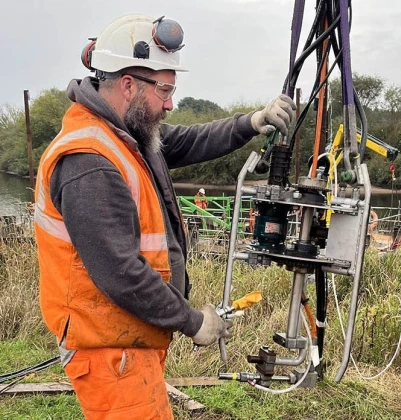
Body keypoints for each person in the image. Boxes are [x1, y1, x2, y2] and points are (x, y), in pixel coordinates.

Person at [33, 15, 296, 419]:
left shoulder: (128, 133)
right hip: (109, 351)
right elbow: (120, 272)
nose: (171, 103)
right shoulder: (90, 161)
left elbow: (187, 140)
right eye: (165, 90)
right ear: (128, 85)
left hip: (128, 341)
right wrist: (192, 321)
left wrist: (251, 122)